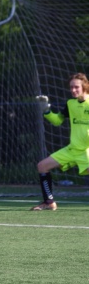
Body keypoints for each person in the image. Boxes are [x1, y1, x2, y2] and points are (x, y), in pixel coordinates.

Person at [32, 72, 89, 211]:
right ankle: (49, 202)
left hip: (87, 150)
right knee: (42, 166)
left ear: (85, 87)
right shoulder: (71, 104)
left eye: (76, 87)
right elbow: (57, 121)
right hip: (72, 149)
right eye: (71, 87)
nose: (73, 90)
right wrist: (46, 110)